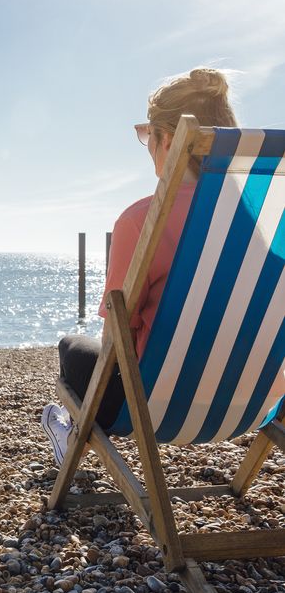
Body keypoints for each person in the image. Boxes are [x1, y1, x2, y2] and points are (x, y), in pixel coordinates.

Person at [42, 67, 238, 464]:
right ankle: (67, 427)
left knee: (73, 349)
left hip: (158, 409)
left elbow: (117, 337)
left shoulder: (141, 221)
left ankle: (69, 433)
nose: (148, 145)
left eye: (147, 135)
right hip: (251, 401)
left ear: (168, 137)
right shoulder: (263, 216)